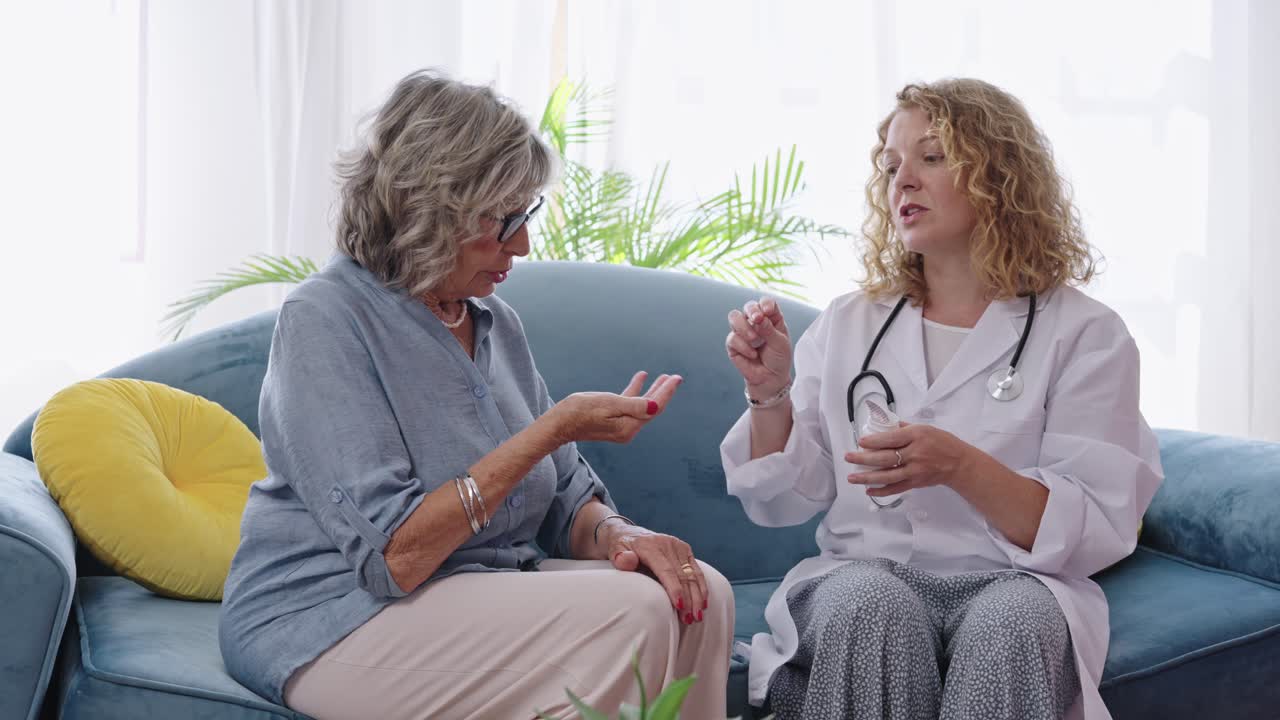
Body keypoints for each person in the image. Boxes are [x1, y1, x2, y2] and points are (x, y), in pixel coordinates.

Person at [219, 70, 733, 720]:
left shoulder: (493, 323)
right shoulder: (326, 319)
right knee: (631, 616)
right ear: (429, 208)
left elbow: (566, 503)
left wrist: (626, 537)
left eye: (526, 214)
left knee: (698, 594)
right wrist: (549, 430)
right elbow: (395, 556)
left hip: (475, 587)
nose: (521, 243)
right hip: (333, 614)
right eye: (502, 219)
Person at [720, 78, 1163, 720]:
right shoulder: (852, 323)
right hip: (861, 574)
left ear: (1000, 176)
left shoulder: (1086, 334)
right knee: (871, 604)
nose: (902, 181)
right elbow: (783, 498)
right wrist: (769, 395)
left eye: (931, 157)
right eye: (892, 165)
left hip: (1016, 580)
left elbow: (1095, 528)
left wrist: (960, 466)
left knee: (1012, 620)